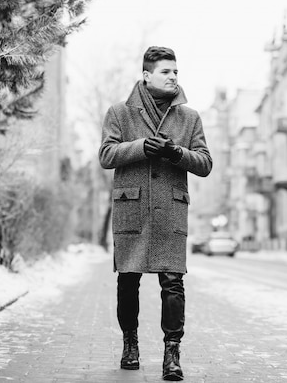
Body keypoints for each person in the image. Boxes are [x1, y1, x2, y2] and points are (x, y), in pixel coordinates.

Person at [98, 46, 212, 381]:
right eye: (166, 71)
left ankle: (172, 355)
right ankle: (130, 345)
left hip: (170, 211)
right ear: (146, 75)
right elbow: (106, 154)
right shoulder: (120, 113)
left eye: (176, 71)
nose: (173, 77)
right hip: (132, 209)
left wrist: (178, 153)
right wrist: (140, 147)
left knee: (173, 282)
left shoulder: (189, 117)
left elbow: (205, 163)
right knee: (128, 280)